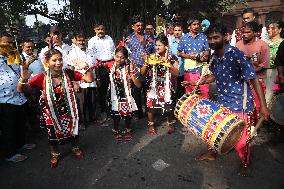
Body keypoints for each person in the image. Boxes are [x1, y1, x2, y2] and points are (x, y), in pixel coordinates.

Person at [182, 23, 270, 176]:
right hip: (222, 102)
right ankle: (212, 153)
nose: (212, 41)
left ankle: (245, 163)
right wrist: (198, 82)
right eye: (209, 38)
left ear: (225, 37)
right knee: (214, 130)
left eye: (216, 37)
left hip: (240, 103)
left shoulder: (236, 54)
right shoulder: (214, 56)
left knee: (241, 141)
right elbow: (215, 75)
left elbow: (253, 78)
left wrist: (263, 106)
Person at [17, 49, 94, 168]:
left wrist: (86, 66)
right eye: (54, 60)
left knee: (72, 131)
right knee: (52, 135)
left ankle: (75, 147)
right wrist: (23, 78)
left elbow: (89, 79)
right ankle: (55, 153)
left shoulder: (68, 73)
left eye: (60, 59)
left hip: (69, 109)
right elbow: (21, 89)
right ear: (47, 62)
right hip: (51, 113)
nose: (58, 63)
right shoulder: (41, 77)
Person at [0, 32, 32, 162]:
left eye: (12, 42)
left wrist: (25, 68)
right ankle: (10, 154)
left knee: (20, 123)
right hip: (4, 99)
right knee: (8, 127)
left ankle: (21, 144)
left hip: (19, 96)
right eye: (6, 42)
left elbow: (20, 71)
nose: (10, 45)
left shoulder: (13, 56)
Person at [141, 35, 179, 135]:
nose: (157, 47)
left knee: (169, 106)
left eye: (160, 45)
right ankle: (151, 124)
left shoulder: (172, 58)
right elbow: (142, 73)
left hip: (166, 86)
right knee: (150, 105)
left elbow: (177, 73)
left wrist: (168, 64)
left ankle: (170, 122)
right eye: (156, 45)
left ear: (166, 46)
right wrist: (146, 62)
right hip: (153, 85)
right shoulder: (152, 57)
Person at [236, 21, 270, 127]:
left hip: (257, 82)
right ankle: (245, 126)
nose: (244, 35)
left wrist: (250, 71)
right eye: (243, 32)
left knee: (256, 106)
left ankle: (254, 128)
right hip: (242, 82)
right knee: (243, 106)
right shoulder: (238, 45)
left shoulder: (263, 46)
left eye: (247, 32)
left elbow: (264, 66)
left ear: (255, 33)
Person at [107, 47, 141, 141]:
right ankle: (116, 129)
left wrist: (132, 71)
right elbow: (96, 67)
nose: (119, 59)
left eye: (122, 57)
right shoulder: (110, 65)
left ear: (126, 58)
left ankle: (128, 129)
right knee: (116, 115)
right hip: (114, 95)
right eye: (117, 56)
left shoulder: (130, 67)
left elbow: (138, 85)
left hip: (126, 95)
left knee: (127, 114)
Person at [126, 15, 155, 119]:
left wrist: (149, 61)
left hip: (148, 69)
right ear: (133, 27)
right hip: (135, 69)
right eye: (137, 25)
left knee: (148, 91)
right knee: (136, 91)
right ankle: (138, 113)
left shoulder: (149, 38)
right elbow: (127, 55)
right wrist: (130, 69)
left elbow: (154, 52)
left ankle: (149, 112)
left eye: (141, 25)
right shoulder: (129, 40)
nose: (140, 27)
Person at [68, 32, 97, 130]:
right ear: (75, 41)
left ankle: (93, 119)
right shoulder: (72, 53)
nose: (81, 42)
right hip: (80, 83)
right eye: (79, 40)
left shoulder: (90, 51)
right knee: (81, 103)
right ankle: (82, 122)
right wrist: (74, 82)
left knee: (92, 101)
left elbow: (94, 66)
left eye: (83, 40)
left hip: (92, 81)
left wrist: (97, 79)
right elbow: (70, 69)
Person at [88, 22, 115, 123]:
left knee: (113, 87)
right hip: (100, 67)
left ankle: (114, 109)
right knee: (102, 90)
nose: (100, 31)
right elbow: (91, 56)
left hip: (111, 64)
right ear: (95, 30)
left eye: (102, 29)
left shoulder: (109, 38)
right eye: (98, 29)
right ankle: (104, 111)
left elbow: (113, 52)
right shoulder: (92, 41)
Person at [177, 17, 209, 98]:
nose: (196, 26)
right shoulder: (184, 38)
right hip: (189, 71)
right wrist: (188, 56)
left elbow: (207, 51)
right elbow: (178, 52)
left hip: (202, 70)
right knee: (191, 95)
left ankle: (204, 110)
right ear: (189, 27)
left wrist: (202, 56)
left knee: (203, 93)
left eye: (198, 24)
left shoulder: (203, 37)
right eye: (194, 24)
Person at [21, 38, 45, 132]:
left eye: (32, 46)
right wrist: (27, 63)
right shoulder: (20, 58)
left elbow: (42, 69)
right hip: (30, 87)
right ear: (22, 47)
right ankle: (35, 129)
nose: (30, 49)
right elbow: (20, 72)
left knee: (41, 106)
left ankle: (42, 126)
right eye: (28, 47)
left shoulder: (36, 56)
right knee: (33, 108)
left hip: (41, 86)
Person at [265, 20, 284, 104]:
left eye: (273, 28)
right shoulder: (264, 43)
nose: (269, 30)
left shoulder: (282, 43)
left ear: (280, 30)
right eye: (268, 28)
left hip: (276, 71)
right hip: (264, 72)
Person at [169, 22, 185, 99]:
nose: (177, 32)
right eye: (175, 30)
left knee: (183, 92)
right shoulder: (170, 43)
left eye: (179, 30)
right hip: (174, 72)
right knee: (174, 92)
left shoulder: (186, 42)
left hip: (185, 71)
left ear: (182, 31)